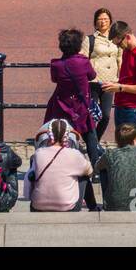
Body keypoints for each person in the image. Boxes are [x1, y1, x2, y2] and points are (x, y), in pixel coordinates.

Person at [45, 28, 102, 177]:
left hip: (63, 106)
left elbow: (54, 79)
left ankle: (65, 167)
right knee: (90, 138)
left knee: (64, 137)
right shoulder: (83, 62)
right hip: (81, 106)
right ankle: (95, 171)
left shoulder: (56, 65)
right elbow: (92, 75)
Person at [26, 118, 94, 212]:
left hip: (38, 206)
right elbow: (90, 171)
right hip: (67, 207)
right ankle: (93, 207)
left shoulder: (38, 153)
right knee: (84, 176)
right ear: (67, 135)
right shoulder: (73, 154)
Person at [105, 21, 136, 147]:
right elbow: (129, 78)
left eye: (119, 44)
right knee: (123, 148)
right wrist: (116, 84)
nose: (119, 47)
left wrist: (120, 87)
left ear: (127, 37)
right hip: (121, 106)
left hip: (134, 110)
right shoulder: (127, 50)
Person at [96, 122, 136, 212]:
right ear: (135, 140)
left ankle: (110, 200)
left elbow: (97, 167)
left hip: (113, 206)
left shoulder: (110, 154)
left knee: (103, 170)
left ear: (117, 140)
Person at [83, 8, 122, 139]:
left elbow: (120, 58)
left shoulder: (116, 39)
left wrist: (121, 78)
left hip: (110, 81)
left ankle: (95, 140)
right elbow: (83, 59)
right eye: (100, 19)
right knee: (92, 115)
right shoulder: (89, 40)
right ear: (95, 23)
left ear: (110, 21)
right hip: (93, 82)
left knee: (105, 115)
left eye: (106, 19)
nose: (103, 22)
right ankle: (92, 144)